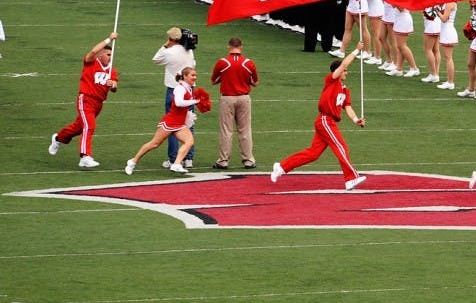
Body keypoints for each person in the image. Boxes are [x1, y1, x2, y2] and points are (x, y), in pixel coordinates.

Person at [270, 41, 368, 190]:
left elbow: (348, 107)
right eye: (345, 70)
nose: (347, 72)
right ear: (338, 71)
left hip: (328, 122)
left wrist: (356, 120)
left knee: (313, 154)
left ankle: (282, 167)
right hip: (325, 120)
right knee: (341, 147)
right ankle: (351, 178)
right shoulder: (331, 80)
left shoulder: (345, 90)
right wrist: (356, 51)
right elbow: (343, 64)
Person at [48, 32, 119, 168]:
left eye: (112, 55)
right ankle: (85, 156)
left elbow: (115, 88)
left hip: (98, 104)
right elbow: (93, 51)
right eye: (108, 55)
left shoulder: (112, 70)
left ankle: (58, 138)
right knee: (89, 126)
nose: (110, 58)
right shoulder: (91, 62)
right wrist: (109, 39)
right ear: (101, 54)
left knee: (78, 128)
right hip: (86, 99)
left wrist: (113, 85)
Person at [125, 67, 202, 175]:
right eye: (192, 75)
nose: (195, 77)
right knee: (154, 144)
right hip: (170, 122)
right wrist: (195, 101)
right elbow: (179, 102)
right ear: (185, 76)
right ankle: (133, 161)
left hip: (180, 123)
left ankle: (176, 164)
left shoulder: (189, 88)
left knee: (189, 142)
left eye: (195, 75)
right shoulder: (180, 88)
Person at [211, 38, 259, 170]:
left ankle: (223, 160)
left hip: (227, 98)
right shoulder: (248, 63)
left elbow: (214, 80)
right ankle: (248, 160)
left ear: (229, 46)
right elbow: (254, 82)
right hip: (244, 98)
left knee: (226, 130)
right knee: (245, 130)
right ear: (241, 46)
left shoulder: (223, 62)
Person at [152, 27, 196, 168]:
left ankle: (173, 159)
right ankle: (188, 158)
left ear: (171, 39)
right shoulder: (189, 51)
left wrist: (165, 45)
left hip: (173, 90)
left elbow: (156, 60)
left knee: (172, 125)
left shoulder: (169, 52)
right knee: (189, 123)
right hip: (188, 90)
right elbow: (193, 65)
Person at [436, 1, 458, 90]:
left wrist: (436, 11)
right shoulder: (449, 3)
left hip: (448, 31)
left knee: (448, 58)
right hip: (446, 30)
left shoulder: (450, 4)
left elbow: (444, 19)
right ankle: (449, 80)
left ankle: (450, 82)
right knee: (447, 57)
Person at [420, 6, 442, 83]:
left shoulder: (431, 0)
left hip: (431, 26)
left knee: (428, 50)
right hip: (437, 24)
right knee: (436, 50)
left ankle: (433, 74)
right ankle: (436, 73)